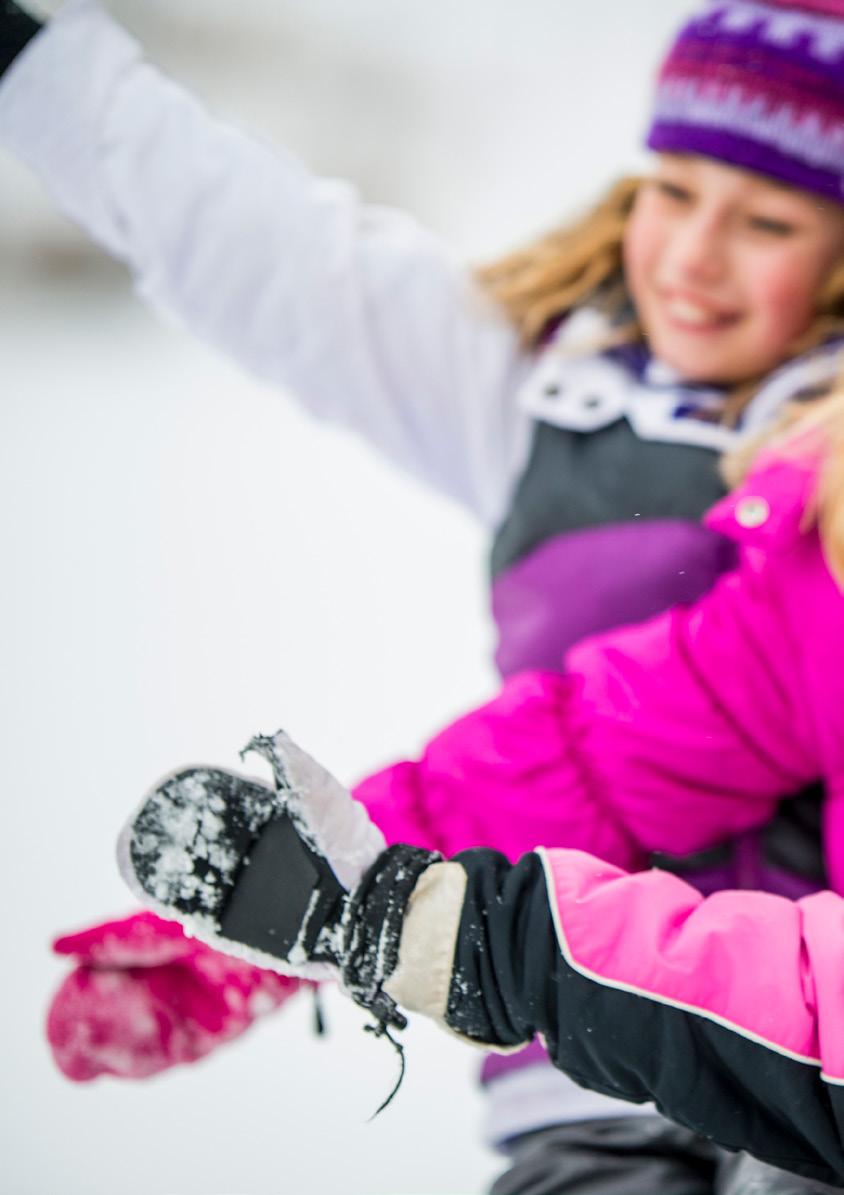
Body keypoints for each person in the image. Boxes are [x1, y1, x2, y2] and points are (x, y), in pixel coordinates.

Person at [4, 0, 844, 1189]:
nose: (693, 256)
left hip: (797, 1062)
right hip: (567, 1028)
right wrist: (317, 910)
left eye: (764, 220)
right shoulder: (540, 387)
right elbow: (266, 250)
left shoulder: (826, 486)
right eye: (668, 190)